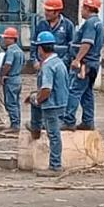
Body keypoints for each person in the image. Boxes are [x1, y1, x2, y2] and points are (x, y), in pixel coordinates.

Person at [26, 31, 71, 176]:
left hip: (52, 104)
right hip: (61, 102)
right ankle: (36, 127)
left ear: (40, 49)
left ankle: (55, 166)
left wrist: (37, 99)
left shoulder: (48, 66)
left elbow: (46, 89)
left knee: (54, 135)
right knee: (54, 132)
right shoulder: (59, 63)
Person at [63, 0, 104, 131]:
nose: (81, 10)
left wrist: (77, 59)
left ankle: (68, 120)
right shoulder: (99, 23)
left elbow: (87, 43)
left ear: (87, 8)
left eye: (82, 7)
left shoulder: (90, 24)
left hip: (85, 64)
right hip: (93, 64)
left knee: (74, 91)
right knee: (87, 93)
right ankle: (88, 121)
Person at [34, 0, 75, 68]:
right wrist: (35, 61)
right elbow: (34, 44)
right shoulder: (41, 24)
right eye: (45, 10)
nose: (46, 13)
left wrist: (63, 62)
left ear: (57, 11)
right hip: (43, 65)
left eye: (49, 11)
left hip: (62, 65)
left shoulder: (68, 25)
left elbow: (71, 47)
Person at [0, 28, 24, 134]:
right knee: (16, 102)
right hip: (18, 78)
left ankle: (14, 125)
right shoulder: (20, 51)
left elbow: (8, 64)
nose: (4, 40)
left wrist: (2, 75)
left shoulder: (11, 51)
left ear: (12, 39)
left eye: (6, 38)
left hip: (11, 79)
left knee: (10, 103)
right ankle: (16, 122)